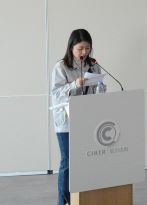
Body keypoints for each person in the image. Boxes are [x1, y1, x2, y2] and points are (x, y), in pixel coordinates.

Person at [50, 29, 105, 205]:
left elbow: (99, 90)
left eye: (87, 48)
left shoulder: (93, 65)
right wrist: (74, 84)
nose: (84, 52)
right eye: (80, 48)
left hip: (87, 119)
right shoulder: (61, 67)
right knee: (68, 161)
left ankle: (83, 199)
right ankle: (62, 201)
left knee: (86, 160)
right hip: (66, 121)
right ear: (71, 47)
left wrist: (101, 87)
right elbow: (56, 94)